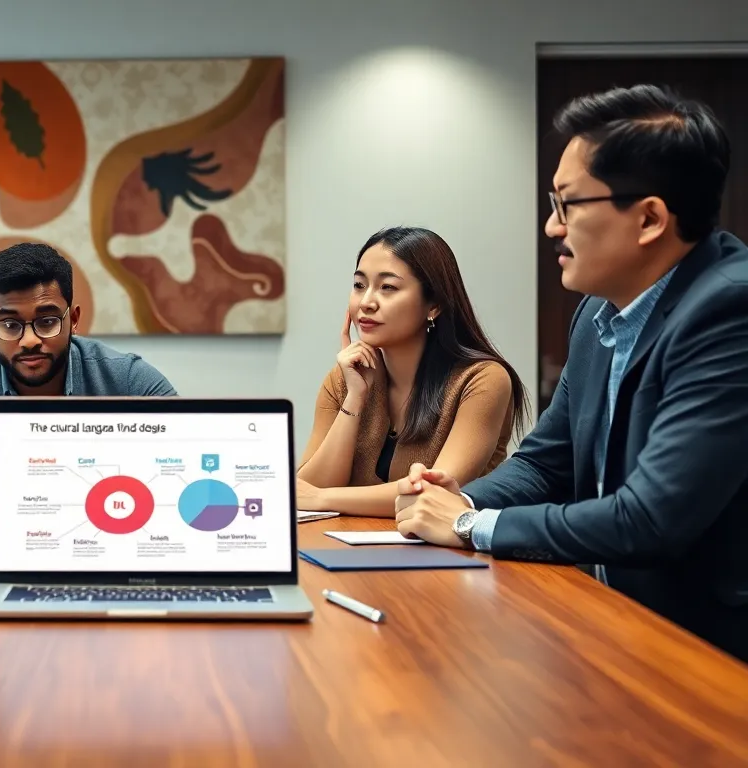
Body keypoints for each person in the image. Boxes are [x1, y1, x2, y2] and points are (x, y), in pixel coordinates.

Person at [394, 84, 748, 662]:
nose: (551, 228)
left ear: (650, 219)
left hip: (707, 649)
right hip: (611, 626)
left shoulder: (730, 311)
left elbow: (649, 519)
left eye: (567, 204)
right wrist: (451, 498)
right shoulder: (598, 311)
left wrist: (469, 527)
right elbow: (545, 464)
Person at [0, 242, 176, 511]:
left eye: (47, 321)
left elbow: (184, 448)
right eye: (10, 325)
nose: (29, 340)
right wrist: (33, 494)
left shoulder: (127, 377)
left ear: (74, 320)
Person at [295, 227, 527, 516]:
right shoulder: (344, 380)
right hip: (342, 551)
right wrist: (354, 397)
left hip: (447, 556)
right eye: (359, 285)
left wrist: (323, 500)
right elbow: (306, 490)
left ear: (434, 304)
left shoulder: (481, 379)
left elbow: (434, 494)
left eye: (387, 287)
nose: (366, 301)